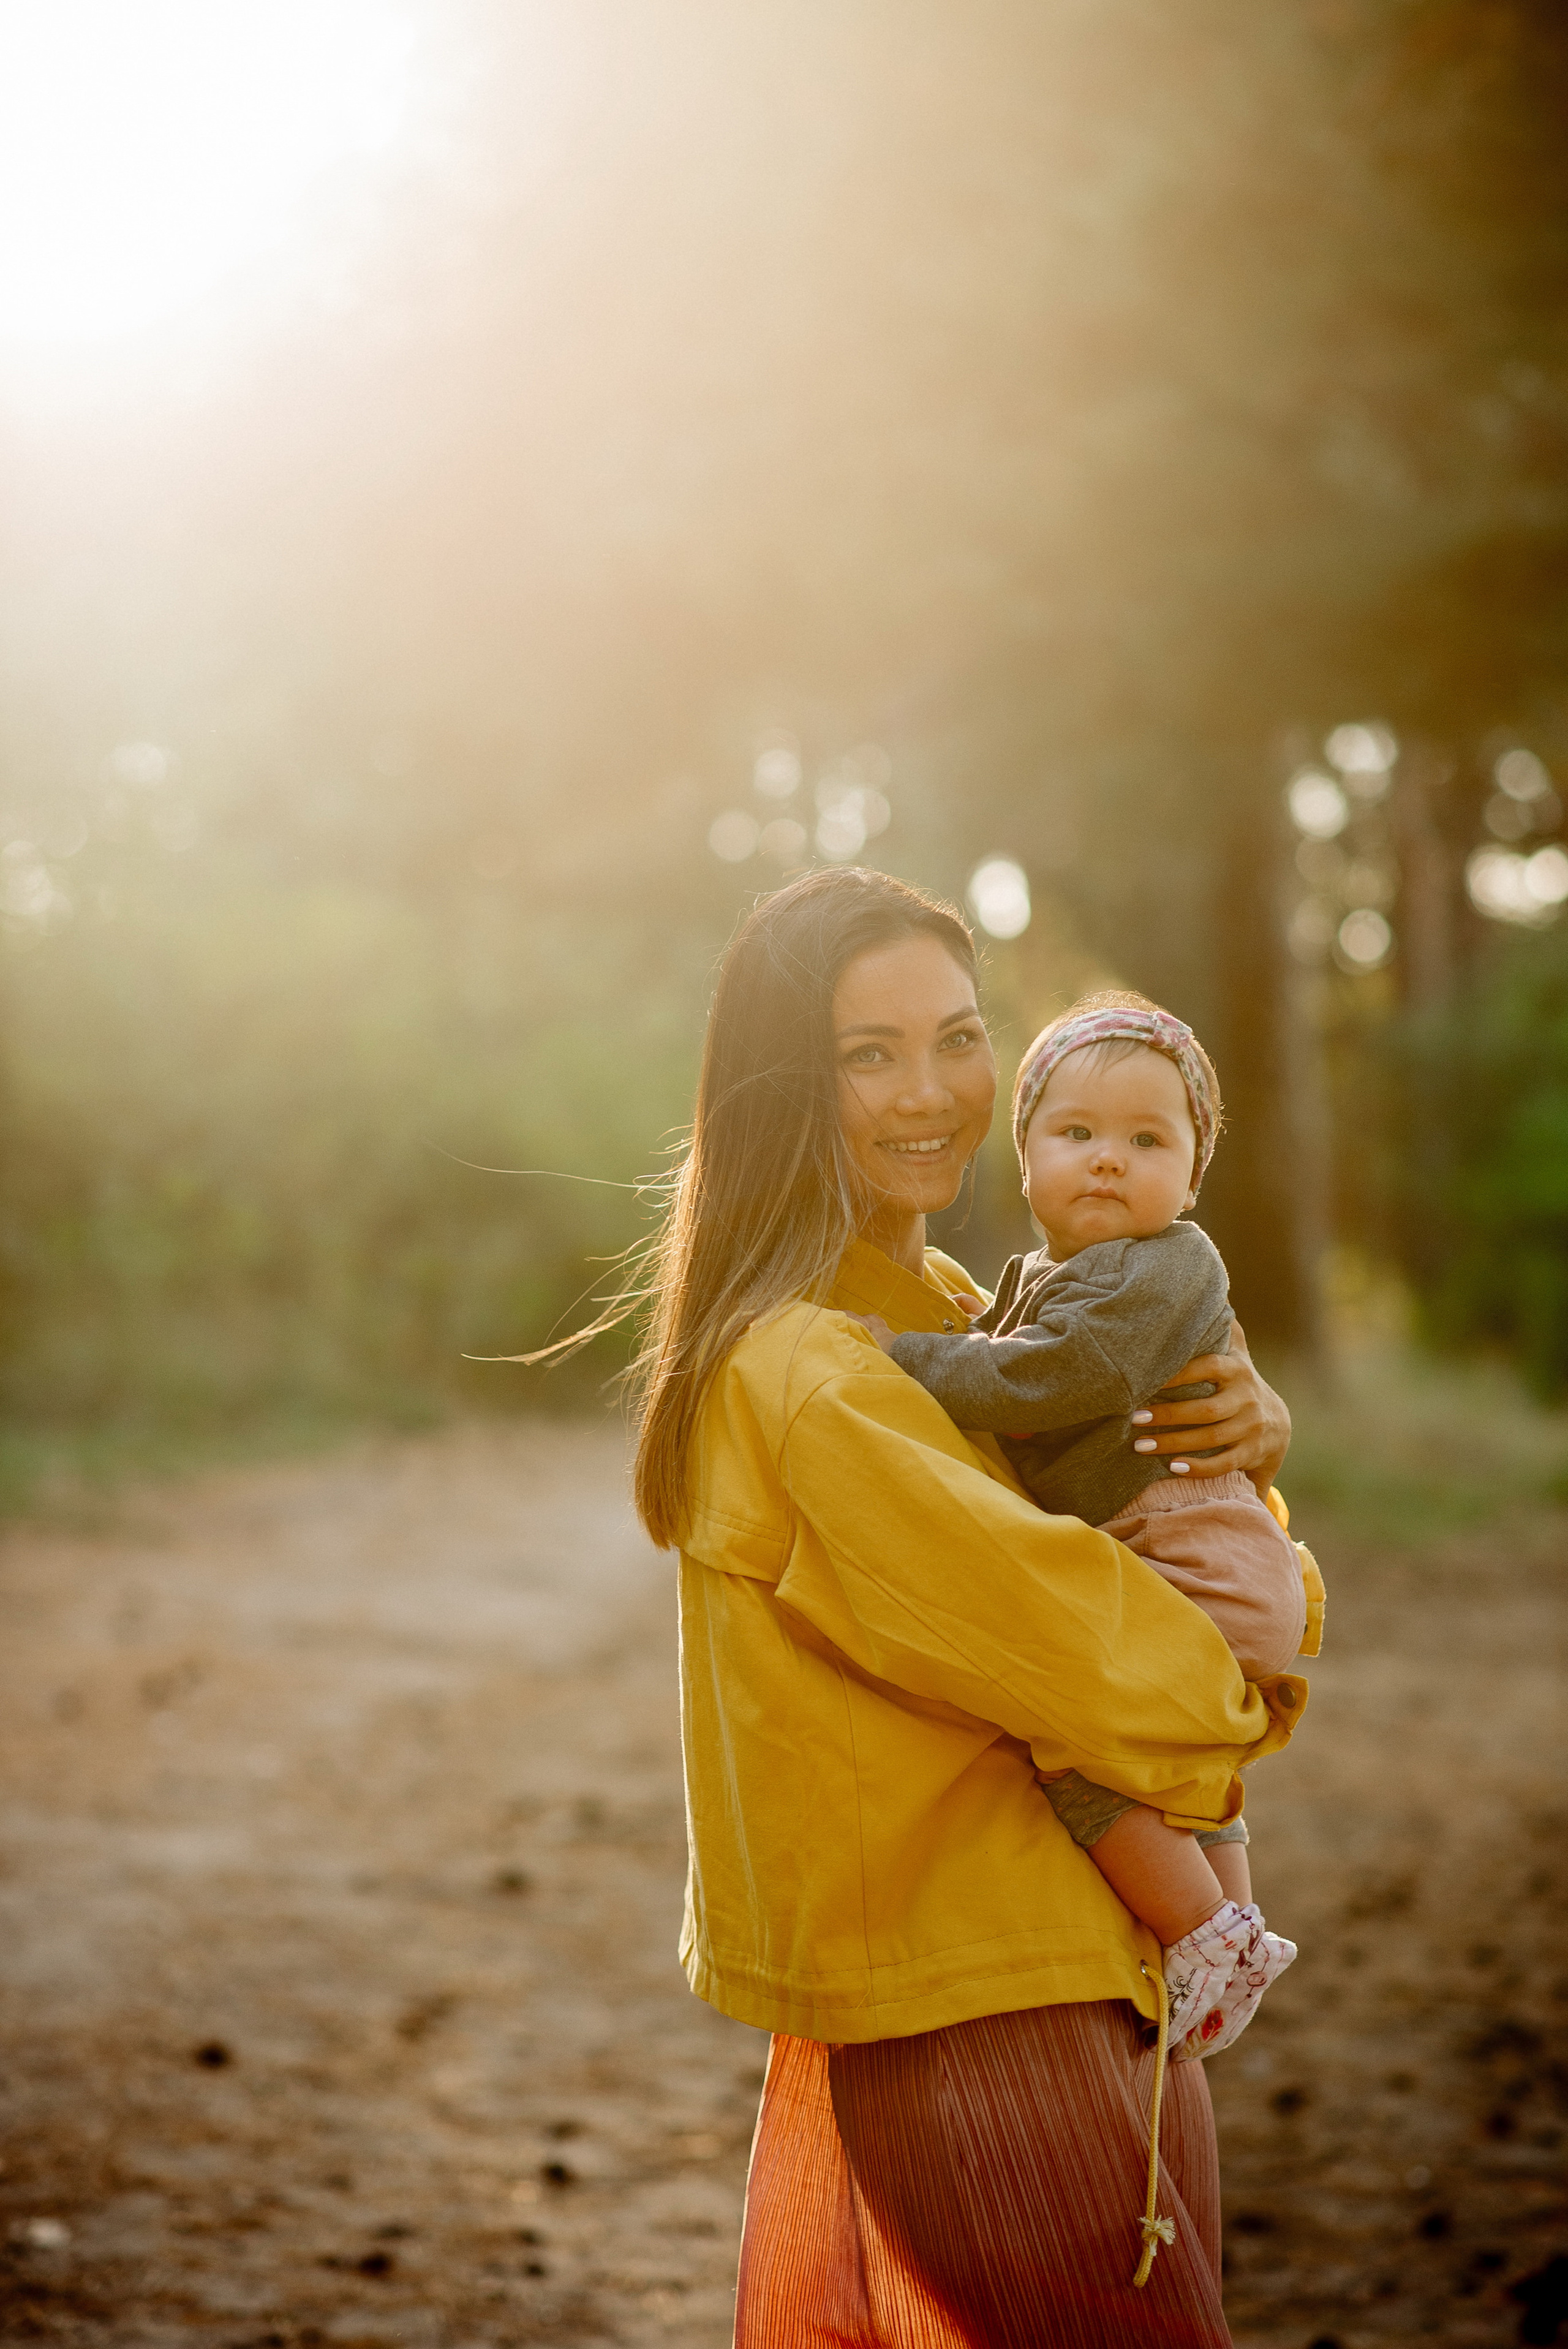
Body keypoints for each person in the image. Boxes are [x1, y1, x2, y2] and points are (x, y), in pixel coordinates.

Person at [628, 866, 1303, 2347]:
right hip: (983, 2003)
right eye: (866, 1054)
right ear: (781, 1088)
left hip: (1072, 1967)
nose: (929, 1091)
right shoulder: (810, 1369)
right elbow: (1099, 1659)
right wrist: (1263, 1652)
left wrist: (1244, 1450)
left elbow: (1122, 1528)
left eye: (955, 1036)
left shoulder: (944, 1304)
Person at [854, 989, 1322, 2063]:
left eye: (1148, 1141)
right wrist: (962, 1337)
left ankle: (1200, 1930)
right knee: (1171, 1749)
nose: (1109, 1159)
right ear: (1026, 1159)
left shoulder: (1169, 1264)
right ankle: (1238, 1933)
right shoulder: (1039, 1275)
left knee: (1078, 1741)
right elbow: (1009, 1348)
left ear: (1191, 1178)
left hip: (1192, 1551)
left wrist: (902, 1357)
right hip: (1173, 1550)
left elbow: (1061, 1373)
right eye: (1077, 1133)